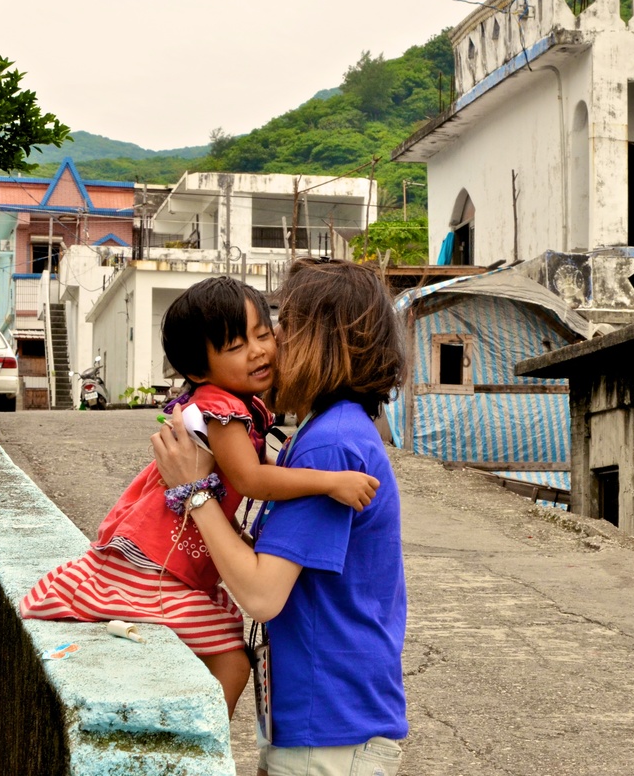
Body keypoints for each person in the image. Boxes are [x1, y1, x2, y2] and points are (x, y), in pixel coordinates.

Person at [19, 276, 379, 717]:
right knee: (231, 661)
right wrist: (328, 482)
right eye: (236, 346)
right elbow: (250, 481)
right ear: (198, 370)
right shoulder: (221, 411)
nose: (259, 351)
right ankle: (205, 750)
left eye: (264, 334)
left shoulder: (239, 405)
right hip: (158, 565)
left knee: (222, 641)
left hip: (164, 557)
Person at [153, 258, 408, 776]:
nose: (269, 346)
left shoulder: (331, 446)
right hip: (317, 721)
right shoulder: (325, 433)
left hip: (330, 732)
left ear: (321, 339)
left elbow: (262, 595)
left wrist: (194, 493)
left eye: (279, 327)